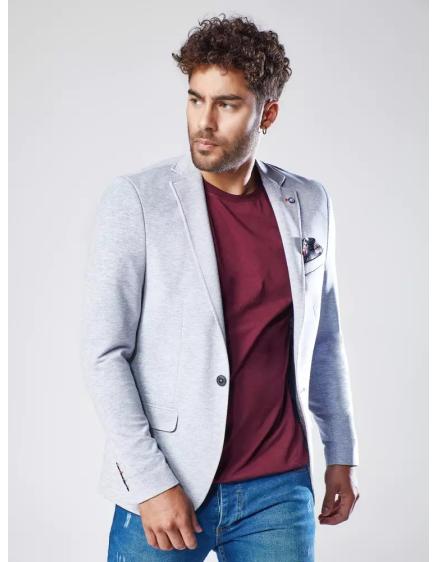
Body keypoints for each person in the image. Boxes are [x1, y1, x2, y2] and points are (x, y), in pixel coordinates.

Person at [81, 13, 360, 562]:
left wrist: (341, 452)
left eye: (227, 105)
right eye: (195, 99)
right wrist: (150, 482)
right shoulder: (138, 201)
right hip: (169, 483)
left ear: (267, 113)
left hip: (278, 489)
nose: (204, 122)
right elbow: (105, 354)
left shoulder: (308, 202)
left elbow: (323, 338)